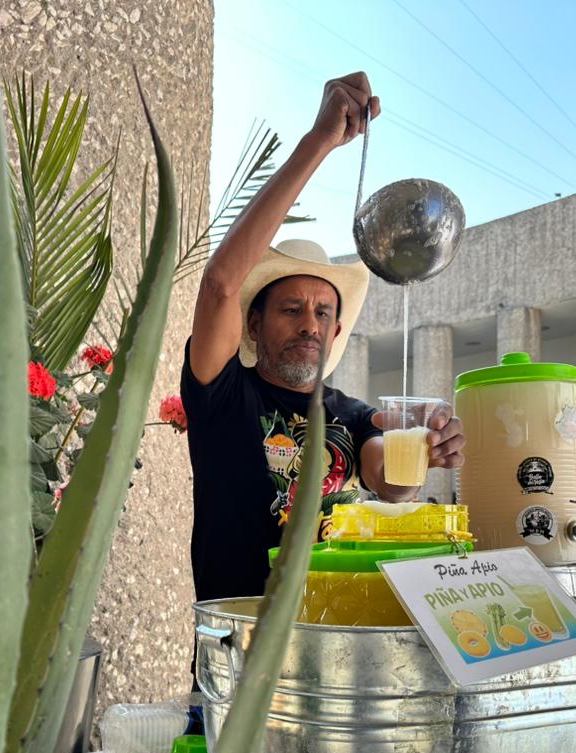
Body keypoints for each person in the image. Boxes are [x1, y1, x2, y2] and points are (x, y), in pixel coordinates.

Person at [182, 71, 466, 604]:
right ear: (253, 325)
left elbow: (390, 481)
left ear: (336, 332)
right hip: (241, 638)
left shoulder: (353, 416)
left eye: (321, 313)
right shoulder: (223, 392)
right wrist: (318, 142)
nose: (309, 324)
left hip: (331, 636)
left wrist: (425, 447)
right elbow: (220, 284)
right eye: (290, 309)